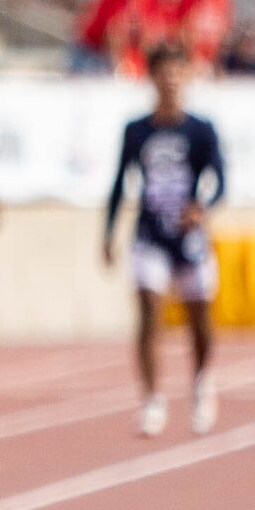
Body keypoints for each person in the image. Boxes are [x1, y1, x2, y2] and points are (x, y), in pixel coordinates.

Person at [105, 41, 226, 439]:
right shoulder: (137, 131)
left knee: (200, 324)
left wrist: (200, 207)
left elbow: (221, 182)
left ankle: (201, 383)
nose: (170, 80)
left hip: (189, 240)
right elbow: (120, 185)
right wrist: (107, 232)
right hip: (150, 234)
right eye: (163, 72)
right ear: (152, 77)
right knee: (149, 315)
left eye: (177, 71)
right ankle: (152, 399)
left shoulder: (201, 130)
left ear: (186, 76)